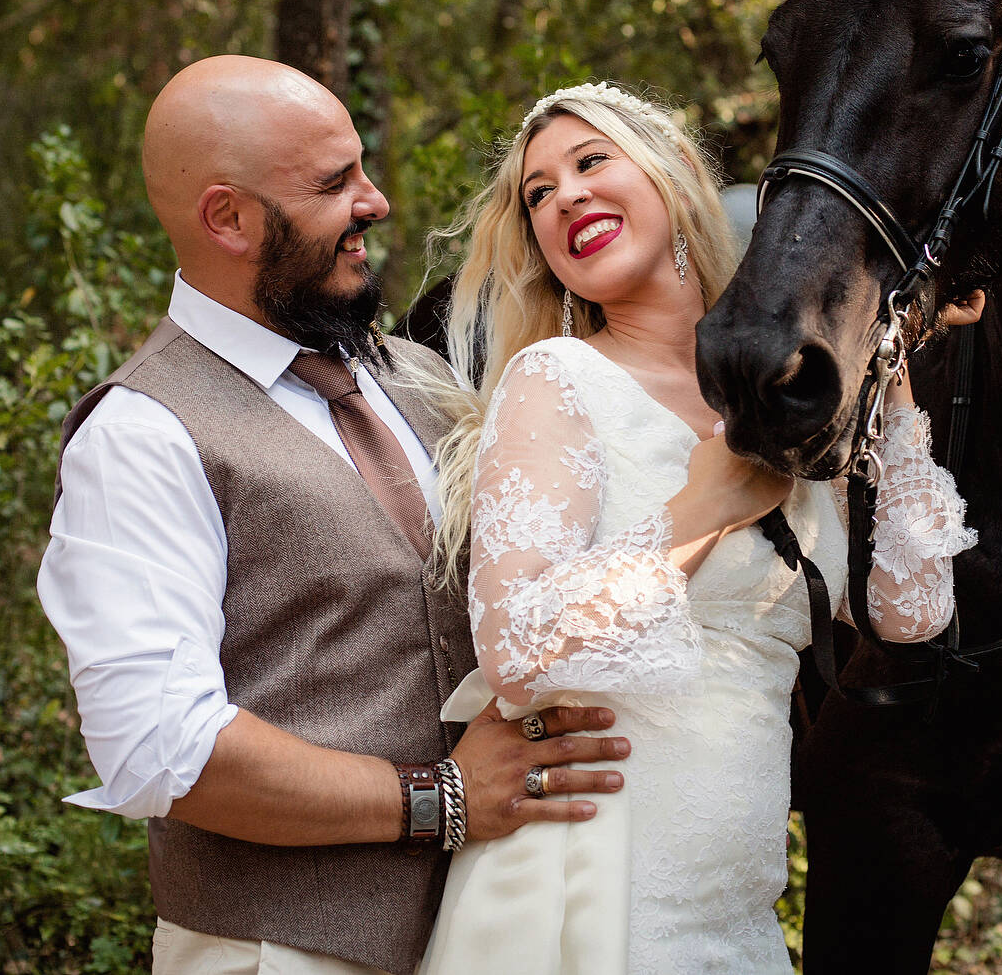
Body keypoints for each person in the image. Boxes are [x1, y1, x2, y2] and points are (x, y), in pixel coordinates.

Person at [37, 56, 631, 975]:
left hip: (488, 934)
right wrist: (441, 797)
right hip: (280, 951)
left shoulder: (416, 378)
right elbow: (162, 745)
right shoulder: (140, 435)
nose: (376, 200)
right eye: (332, 183)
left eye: (360, 166)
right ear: (226, 217)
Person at [416, 82, 981, 974]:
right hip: (588, 891)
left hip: (734, 907)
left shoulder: (774, 395)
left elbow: (913, 609)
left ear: (676, 174)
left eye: (591, 160)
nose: (564, 194)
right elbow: (515, 649)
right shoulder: (555, 378)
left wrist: (890, 362)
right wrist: (707, 504)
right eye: (538, 194)